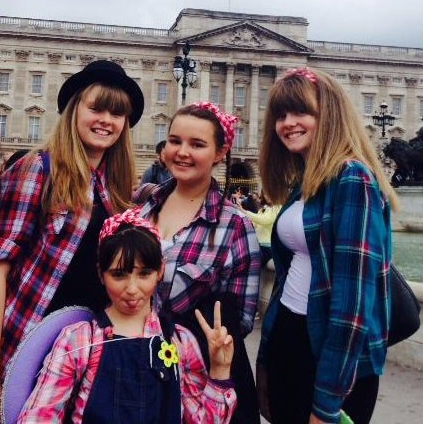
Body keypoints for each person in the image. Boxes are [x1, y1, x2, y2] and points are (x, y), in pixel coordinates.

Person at [0, 60, 145, 422]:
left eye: (117, 114)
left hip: (82, 355)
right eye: (96, 108)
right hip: (27, 345)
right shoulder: (38, 169)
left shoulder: (113, 190)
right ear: (74, 111)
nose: (106, 120)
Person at [256, 68, 399, 424]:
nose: (287, 123)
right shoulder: (306, 179)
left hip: (327, 357)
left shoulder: (353, 178)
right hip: (292, 338)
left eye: (300, 112)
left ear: (329, 113)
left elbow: (352, 305)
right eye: (281, 115)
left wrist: (327, 403)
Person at [18, 208, 237, 423]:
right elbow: (40, 417)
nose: (132, 289)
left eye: (144, 273)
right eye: (119, 275)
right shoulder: (79, 340)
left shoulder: (181, 341)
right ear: (101, 274)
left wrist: (219, 368)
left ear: (160, 271)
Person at [135, 101, 261, 424]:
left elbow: (240, 320)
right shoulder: (143, 209)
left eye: (197, 144)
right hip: (132, 365)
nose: (182, 152)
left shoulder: (235, 226)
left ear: (220, 153)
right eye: (175, 141)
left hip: (193, 382)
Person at [237, 193, 281, 267]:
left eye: (269, 192)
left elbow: (264, 220)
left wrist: (244, 211)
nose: (266, 195)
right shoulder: (264, 208)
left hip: (268, 247)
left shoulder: (277, 207)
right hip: (259, 245)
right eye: (266, 193)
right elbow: (256, 223)